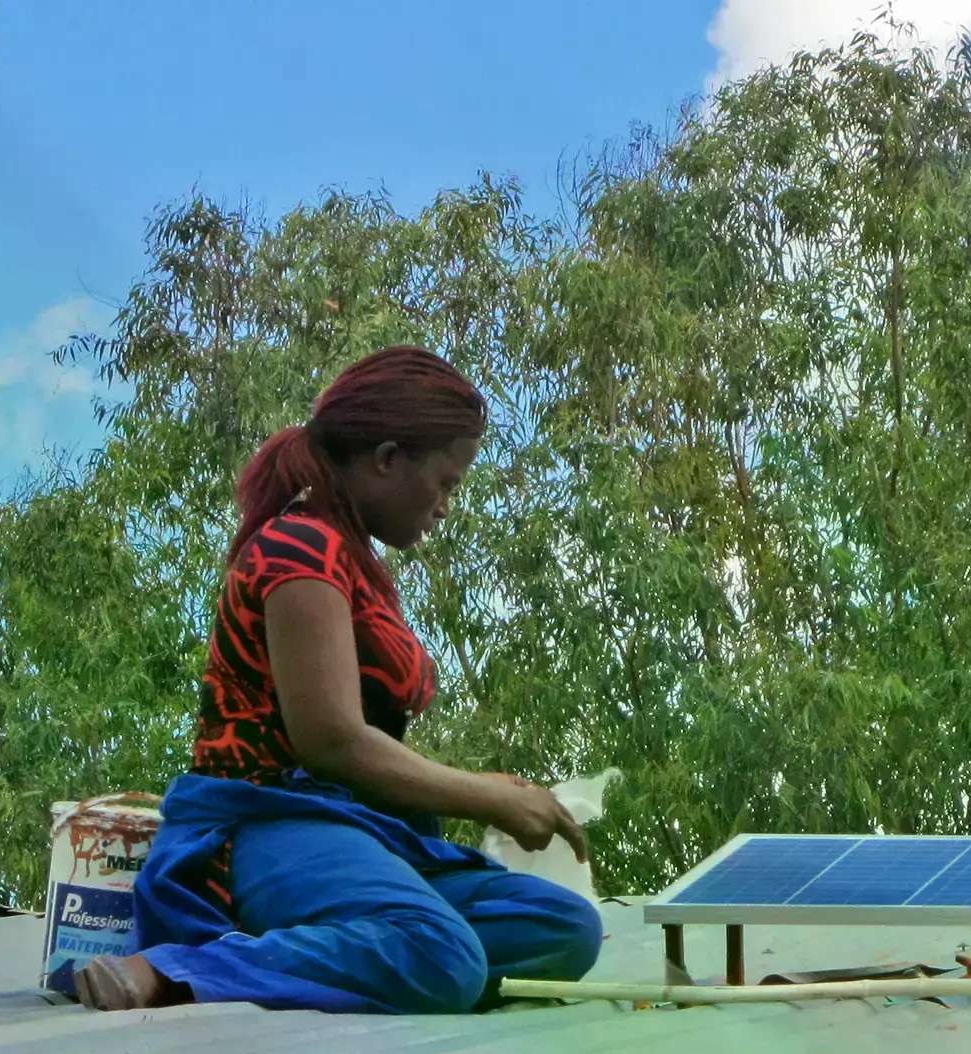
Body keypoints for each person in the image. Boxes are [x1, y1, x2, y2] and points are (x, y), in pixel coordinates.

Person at [73, 347, 604, 1015]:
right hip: (266, 828)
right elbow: (332, 743)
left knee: (563, 927)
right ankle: (178, 968)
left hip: (353, 832)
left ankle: (341, 957)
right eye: (445, 482)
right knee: (443, 954)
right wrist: (486, 799)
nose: (446, 506)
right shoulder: (298, 549)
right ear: (387, 459)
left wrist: (482, 787)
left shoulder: (354, 562)